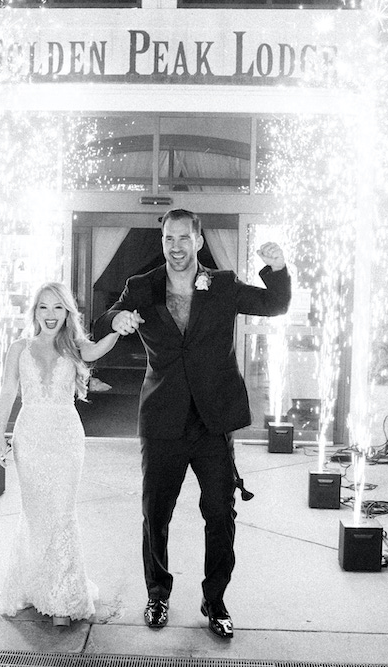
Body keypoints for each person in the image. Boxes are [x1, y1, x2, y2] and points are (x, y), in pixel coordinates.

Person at [95, 208, 291, 639]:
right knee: (155, 513)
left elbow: (273, 304)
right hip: (163, 420)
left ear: (199, 240)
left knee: (220, 513)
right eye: (169, 239)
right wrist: (117, 319)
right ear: (162, 241)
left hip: (212, 422)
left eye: (185, 238)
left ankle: (215, 598)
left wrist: (277, 268)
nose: (177, 246)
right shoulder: (141, 287)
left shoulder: (220, 285)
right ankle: (157, 593)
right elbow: (100, 320)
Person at [0, 282, 120, 627]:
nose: (50, 315)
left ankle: (63, 598)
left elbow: (99, 349)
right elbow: (7, 393)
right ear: (34, 312)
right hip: (29, 437)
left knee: (62, 512)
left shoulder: (75, 347)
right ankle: (38, 586)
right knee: (36, 513)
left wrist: (119, 330)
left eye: (57, 308)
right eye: (43, 308)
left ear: (67, 312)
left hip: (66, 437)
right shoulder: (19, 348)